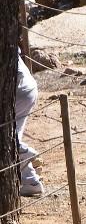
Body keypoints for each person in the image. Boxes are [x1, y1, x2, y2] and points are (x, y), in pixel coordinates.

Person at [16, 52, 44, 197]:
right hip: (27, 87)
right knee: (12, 135)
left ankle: (24, 151)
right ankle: (31, 182)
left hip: (18, 91)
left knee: (7, 138)